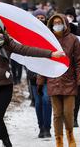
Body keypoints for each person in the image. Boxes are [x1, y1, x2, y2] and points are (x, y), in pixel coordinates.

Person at [0, 0, 64, 147]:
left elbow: (28, 50)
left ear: (3, 30)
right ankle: (6, 141)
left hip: (4, 86)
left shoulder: (8, 44)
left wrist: (51, 54)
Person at [37, 14, 80, 147]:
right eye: (55, 23)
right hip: (53, 80)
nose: (57, 24)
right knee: (57, 114)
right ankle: (59, 140)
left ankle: (70, 135)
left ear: (65, 24)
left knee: (68, 112)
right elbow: (43, 62)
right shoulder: (48, 40)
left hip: (69, 81)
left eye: (59, 22)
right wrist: (40, 82)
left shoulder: (73, 40)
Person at [30, 9, 52, 138]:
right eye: (37, 17)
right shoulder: (29, 33)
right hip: (33, 73)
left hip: (47, 72)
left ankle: (47, 128)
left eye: (42, 17)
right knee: (38, 103)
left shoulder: (49, 34)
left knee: (46, 100)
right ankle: (41, 127)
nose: (40, 19)